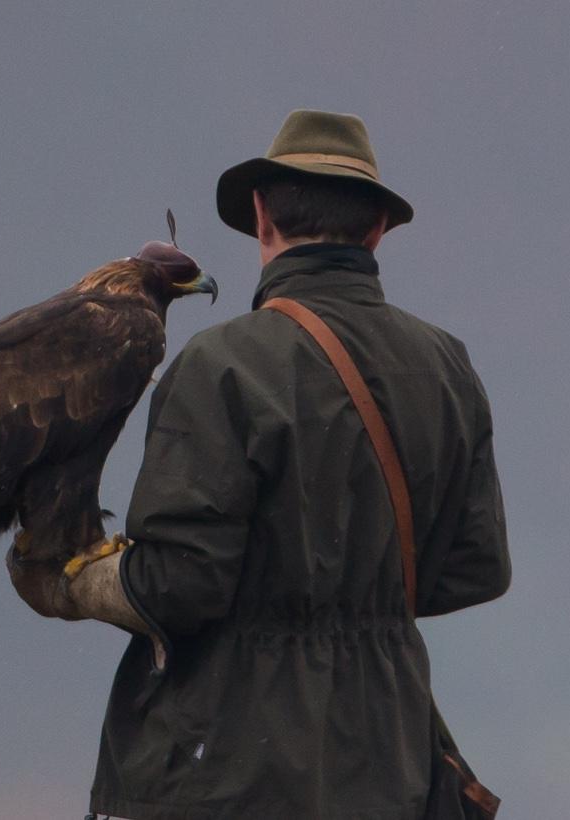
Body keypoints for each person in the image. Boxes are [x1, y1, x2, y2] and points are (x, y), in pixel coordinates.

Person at [56, 109, 512, 819]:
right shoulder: (447, 366)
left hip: (227, 772)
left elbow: (180, 585)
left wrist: (72, 583)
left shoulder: (222, 366)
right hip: (389, 766)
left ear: (262, 216)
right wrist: (353, 598)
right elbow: (477, 568)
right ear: (377, 230)